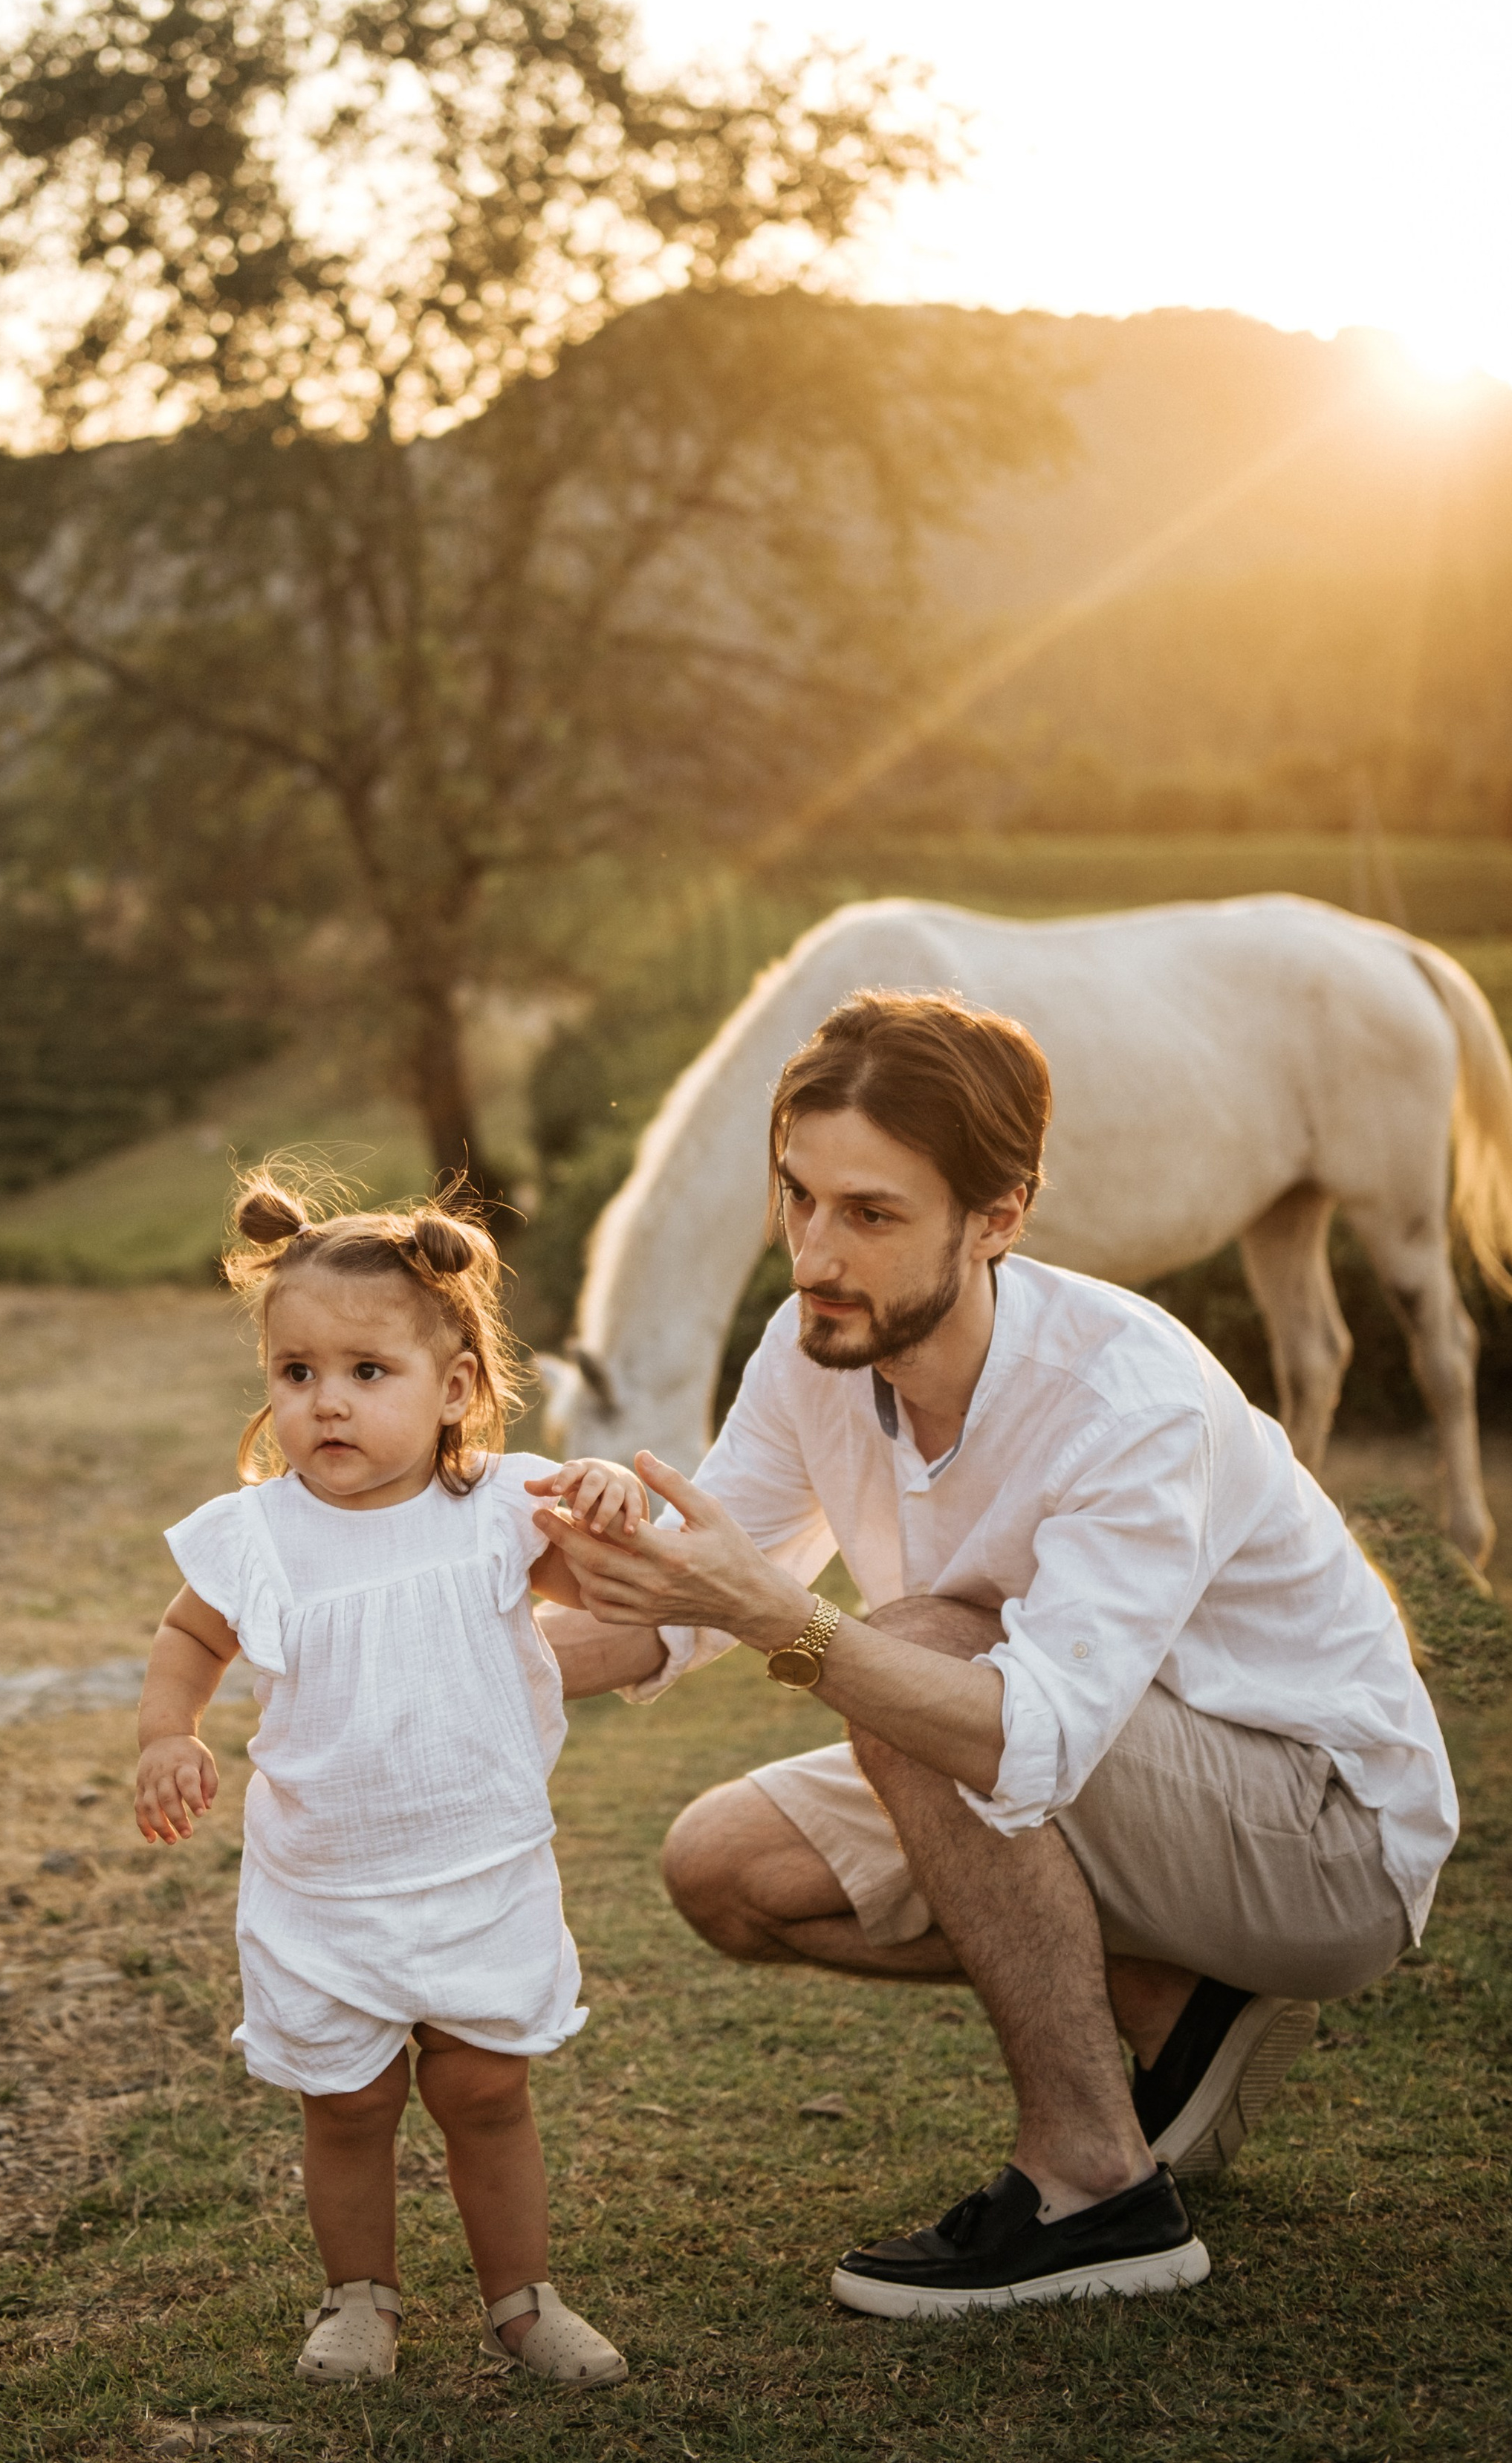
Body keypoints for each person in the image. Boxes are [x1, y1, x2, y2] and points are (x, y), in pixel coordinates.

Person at [532, 988, 1459, 2319]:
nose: (814, 1252)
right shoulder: (820, 1354)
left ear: (999, 1216)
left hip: (1321, 1834)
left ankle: (1098, 2186)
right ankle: (1170, 1990)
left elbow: (1024, 1734)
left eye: (872, 1213)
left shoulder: (1123, 1393)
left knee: (912, 1653)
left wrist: (784, 1620)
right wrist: (429, 1644)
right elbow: (675, 1601)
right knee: (724, 1870)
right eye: (799, 1198)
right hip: (1104, 1785)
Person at [132, 1174, 639, 2388]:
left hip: (482, 1868)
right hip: (324, 1886)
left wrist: (611, 1510)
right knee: (347, 2102)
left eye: (368, 1372)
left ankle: (523, 2302)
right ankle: (358, 2297)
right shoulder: (260, 1536)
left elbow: (615, 1587)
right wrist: (168, 1732)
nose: (327, 1403)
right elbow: (191, 1638)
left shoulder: (504, 1510)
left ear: (454, 1386)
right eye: (297, 1372)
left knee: (483, 2087)